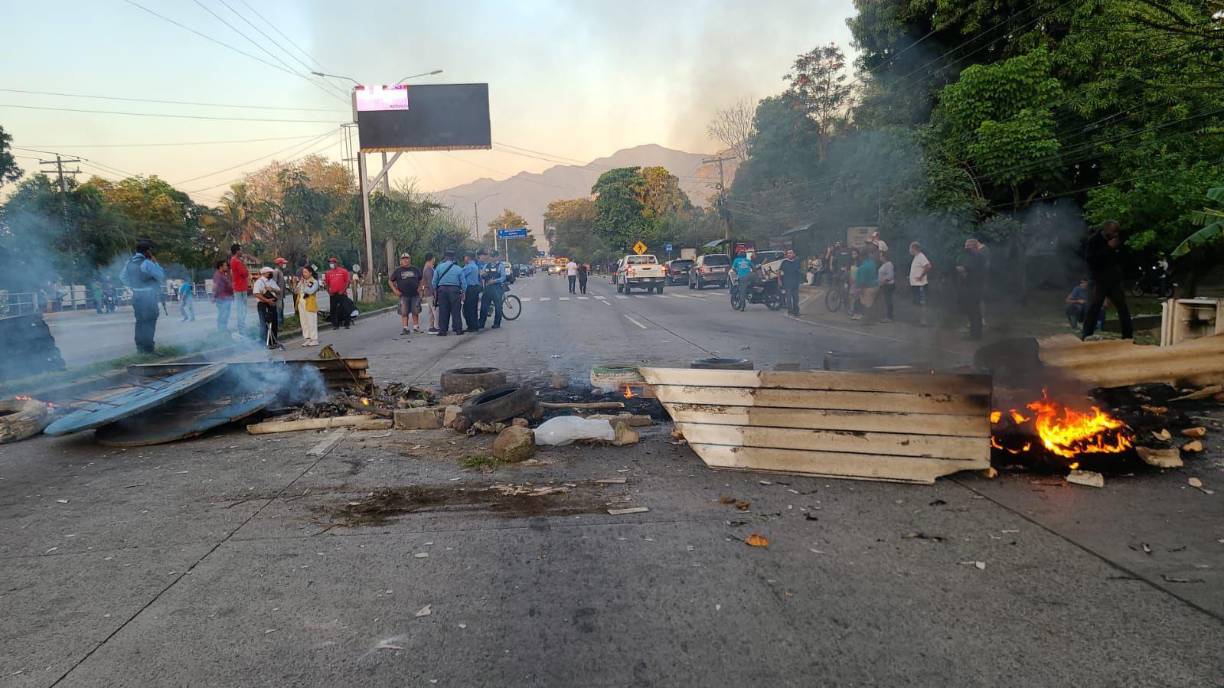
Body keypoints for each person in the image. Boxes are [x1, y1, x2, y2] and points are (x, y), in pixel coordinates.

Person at [1081, 221, 1133, 340]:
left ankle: (1127, 335)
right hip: (1099, 280)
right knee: (1094, 306)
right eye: (1113, 232)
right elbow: (1091, 260)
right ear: (1106, 230)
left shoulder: (1118, 240)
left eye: (1116, 232)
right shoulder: (1094, 241)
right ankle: (1086, 334)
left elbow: (1122, 257)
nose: (1115, 235)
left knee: (1122, 307)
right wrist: (1108, 248)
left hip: (1114, 280)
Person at [121, 238, 165, 354]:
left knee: (140, 322)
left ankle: (140, 348)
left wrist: (134, 286)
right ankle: (148, 349)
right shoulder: (147, 263)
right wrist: (155, 261)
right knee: (150, 321)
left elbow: (122, 277)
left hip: (136, 295)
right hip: (148, 295)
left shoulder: (129, 262)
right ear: (147, 251)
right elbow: (161, 274)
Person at [957, 238, 987, 340]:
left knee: (974, 311)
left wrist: (960, 269)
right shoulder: (976, 256)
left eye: (967, 245)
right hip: (974, 286)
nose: (965, 247)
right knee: (973, 311)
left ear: (972, 246)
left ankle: (976, 335)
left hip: (974, 287)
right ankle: (974, 334)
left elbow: (970, 269)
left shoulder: (976, 256)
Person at [432, 249, 466, 336]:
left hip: (442, 290)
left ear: (445, 257)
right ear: (453, 258)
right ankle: (458, 330)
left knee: (443, 310)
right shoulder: (458, 268)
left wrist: (436, 290)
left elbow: (434, 282)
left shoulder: (439, 267)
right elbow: (464, 283)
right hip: (454, 290)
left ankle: (443, 331)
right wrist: (463, 293)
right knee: (455, 310)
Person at [389, 252, 423, 337]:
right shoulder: (398, 270)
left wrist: (420, 288)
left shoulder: (415, 269)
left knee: (415, 310)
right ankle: (405, 328)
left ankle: (416, 327)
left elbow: (421, 279)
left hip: (415, 294)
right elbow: (390, 281)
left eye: (407, 258)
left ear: (410, 259)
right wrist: (395, 290)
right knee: (404, 311)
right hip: (403, 295)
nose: (405, 260)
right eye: (403, 259)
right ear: (401, 261)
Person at [253, 267, 282, 350]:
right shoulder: (259, 282)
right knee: (264, 323)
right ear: (264, 273)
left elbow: (279, 291)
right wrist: (267, 300)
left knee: (274, 322)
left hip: (272, 304)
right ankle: (264, 343)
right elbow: (256, 294)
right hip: (263, 304)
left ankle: (273, 341)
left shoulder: (272, 281)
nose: (271, 274)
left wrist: (272, 289)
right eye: (269, 272)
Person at [479, 249, 508, 330]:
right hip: (488, 288)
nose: (492, 258)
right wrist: (482, 274)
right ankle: (481, 323)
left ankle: (496, 323)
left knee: (498, 307)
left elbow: (503, 277)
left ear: (497, 257)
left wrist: (495, 281)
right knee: (484, 307)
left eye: (493, 256)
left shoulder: (500, 266)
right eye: (491, 256)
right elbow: (482, 274)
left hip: (497, 288)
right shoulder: (486, 265)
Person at [324, 257, 353, 330]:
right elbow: (326, 284)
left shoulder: (343, 271)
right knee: (333, 310)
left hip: (342, 293)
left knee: (345, 308)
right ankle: (335, 325)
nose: (331, 264)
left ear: (336, 263)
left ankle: (347, 324)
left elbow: (347, 282)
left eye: (332, 263)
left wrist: (343, 290)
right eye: (330, 263)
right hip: (333, 294)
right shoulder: (328, 273)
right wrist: (328, 292)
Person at [908, 242, 932, 326]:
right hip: (915, 285)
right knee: (916, 303)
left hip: (920, 285)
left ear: (915, 248)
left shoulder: (921, 256)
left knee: (921, 303)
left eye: (911, 248)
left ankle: (923, 321)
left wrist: (921, 276)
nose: (910, 250)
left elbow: (928, 266)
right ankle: (917, 320)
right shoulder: (916, 257)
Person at [852, 246, 879, 322]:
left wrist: (859, 290)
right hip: (875, 285)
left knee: (866, 304)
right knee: (871, 303)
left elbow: (862, 281)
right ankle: (871, 318)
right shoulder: (873, 263)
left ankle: (868, 320)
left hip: (867, 288)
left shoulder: (862, 268)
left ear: (861, 257)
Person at [297, 265, 321, 347]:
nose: (304, 274)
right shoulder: (302, 281)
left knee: (311, 321)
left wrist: (304, 285)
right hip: (301, 303)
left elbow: (310, 291)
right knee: (304, 322)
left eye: (306, 272)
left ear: (310, 273)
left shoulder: (314, 282)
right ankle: (307, 338)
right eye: (303, 272)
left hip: (310, 304)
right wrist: (299, 283)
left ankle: (314, 339)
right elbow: (296, 291)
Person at [229, 244, 250, 335]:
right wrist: (244, 264)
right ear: (237, 251)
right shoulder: (237, 261)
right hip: (240, 288)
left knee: (241, 308)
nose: (242, 252)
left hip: (239, 287)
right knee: (242, 309)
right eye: (240, 250)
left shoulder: (234, 260)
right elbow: (245, 274)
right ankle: (241, 329)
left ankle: (241, 327)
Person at [461, 250, 484, 333]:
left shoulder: (468, 267)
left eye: (465, 257)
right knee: (473, 308)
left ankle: (471, 326)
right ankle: (475, 326)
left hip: (470, 289)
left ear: (468, 257)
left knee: (468, 308)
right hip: (475, 288)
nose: (464, 258)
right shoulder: (475, 266)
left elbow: (461, 275)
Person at [779, 248, 802, 316]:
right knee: (788, 298)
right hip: (787, 283)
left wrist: (800, 280)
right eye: (788, 253)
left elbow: (799, 271)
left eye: (791, 253)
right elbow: (779, 271)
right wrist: (779, 280)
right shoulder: (784, 262)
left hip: (795, 283)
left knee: (796, 298)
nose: (789, 254)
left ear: (794, 254)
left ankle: (796, 311)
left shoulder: (797, 262)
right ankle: (790, 310)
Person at [211, 260, 233, 332]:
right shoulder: (218, 275)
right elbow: (215, 286)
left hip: (226, 298)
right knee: (223, 315)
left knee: (225, 315)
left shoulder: (224, 274)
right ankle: (221, 330)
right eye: (225, 265)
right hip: (222, 298)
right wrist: (213, 297)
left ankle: (223, 329)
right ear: (221, 267)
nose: (227, 267)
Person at [421, 253, 438, 333]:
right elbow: (431, 283)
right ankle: (437, 327)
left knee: (431, 310)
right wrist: (435, 293)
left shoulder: (428, 268)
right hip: (430, 292)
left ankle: (431, 327)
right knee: (435, 310)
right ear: (432, 258)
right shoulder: (428, 269)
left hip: (428, 292)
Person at [878, 251, 895, 323]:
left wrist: (883, 281)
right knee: (885, 300)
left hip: (888, 285)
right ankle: (886, 315)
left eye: (881, 256)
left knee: (888, 300)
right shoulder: (884, 264)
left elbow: (890, 276)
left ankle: (889, 317)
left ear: (885, 257)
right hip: (883, 285)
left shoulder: (889, 264)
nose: (880, 257)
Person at [273, 257, 289, 326]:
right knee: (279, 309)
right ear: (279, 264)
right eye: (283, 263)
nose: (284, 264)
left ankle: (281, 323)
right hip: (278, 295)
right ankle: (279, 324)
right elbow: (274, 283)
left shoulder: (280, 271)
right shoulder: (276, 271)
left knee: (281, 308)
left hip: (281, 295)